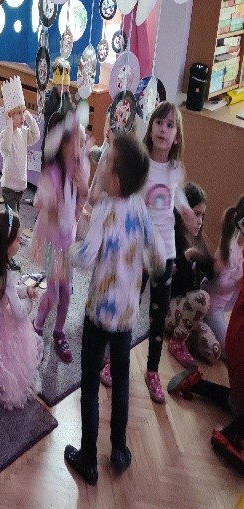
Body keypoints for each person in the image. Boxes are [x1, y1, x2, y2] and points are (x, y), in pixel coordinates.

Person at [64, 134, 165, 485]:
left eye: (106, 161)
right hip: (125, 318)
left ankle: (88, 459)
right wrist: (151, 267)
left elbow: (86, 256)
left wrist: (69, 250)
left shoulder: (105, 211)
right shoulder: (139, 207)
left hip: (98, 317)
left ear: (116, 180)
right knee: (121, 380)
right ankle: (119, 449)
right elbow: (158, 255)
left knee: (90, 384)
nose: (101, 163)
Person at [139, 102, 198, 403]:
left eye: (170, 125)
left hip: (165, 252)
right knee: (128, 307)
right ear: (150, 128)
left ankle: (152, 371)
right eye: (159, 123)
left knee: (158, 315)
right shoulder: (141, 163)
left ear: (176, 137)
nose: (163, 129)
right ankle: (111, 358)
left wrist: (186, 212)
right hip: (138, 250)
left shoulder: (175, 169)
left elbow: (177, 195)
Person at [168, 267, 244, 476]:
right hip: (239, 348)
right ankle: (229, 435)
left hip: (234, 340)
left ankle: (197, 384)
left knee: (238, 404)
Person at [31, 111, 89, 363]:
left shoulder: (79, 170)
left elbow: (81, 203)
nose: (79, 149)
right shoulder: (53, 173)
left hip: (68, 242)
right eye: (75, 143)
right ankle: (37, 325)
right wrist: (51, 202)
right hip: (52, 242)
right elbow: (40, 202)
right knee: (52, 293)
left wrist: (83, 189)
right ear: (63, 145)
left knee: (66, 293)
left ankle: (58, 331)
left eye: (81, 143)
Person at [0, 206, 42, 410]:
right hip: (0, 324)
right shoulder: (7, 273)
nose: (21, 243)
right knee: (22, 327)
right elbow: (18, 313)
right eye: (18, 239)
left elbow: (8, 290)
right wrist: (30, 302)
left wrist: (25, 290)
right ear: (7, 244)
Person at [165, 183, 219, 367]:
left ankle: (185, 337)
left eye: (203, 215)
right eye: (196, 214)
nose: (200, 221)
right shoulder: (172, 238)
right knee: (202, 298)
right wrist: (186, 257)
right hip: (168, 309)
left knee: (214, 352)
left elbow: (212, 273)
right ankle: (177, 342)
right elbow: (166, 279)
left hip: (189, 314)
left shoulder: (197, 241)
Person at [202, 196, 244, 355]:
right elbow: (218, 286)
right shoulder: (227, 250)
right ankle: (200, 326)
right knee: (230, 351)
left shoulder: (239, 249)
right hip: (213, 306)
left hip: (225, 304)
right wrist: (238, 282)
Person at [0, 75, 41, 216]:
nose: (22, 116)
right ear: (10, 115)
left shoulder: (24, 132)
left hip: (21, 187)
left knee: (13, 218)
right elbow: (5, 148)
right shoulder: (5, 133)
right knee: (13, 220)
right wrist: (10, 124)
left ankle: (8, 229)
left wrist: (28, 116)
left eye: (23, 112)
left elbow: (36, 135)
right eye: (18, 113)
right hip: (9, 188)